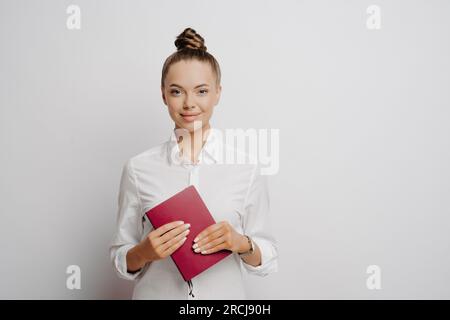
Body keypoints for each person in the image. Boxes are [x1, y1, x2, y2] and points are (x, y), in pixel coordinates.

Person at [109, 27, 278, 299]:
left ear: (217, 93)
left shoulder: (246, 168)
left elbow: (267, 258)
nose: (189, 103)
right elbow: (120, 257)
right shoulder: (138, 169)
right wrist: (143, 252)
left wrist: (241, 243)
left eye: (201, 91)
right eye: (177, 92)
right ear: (164, 95)